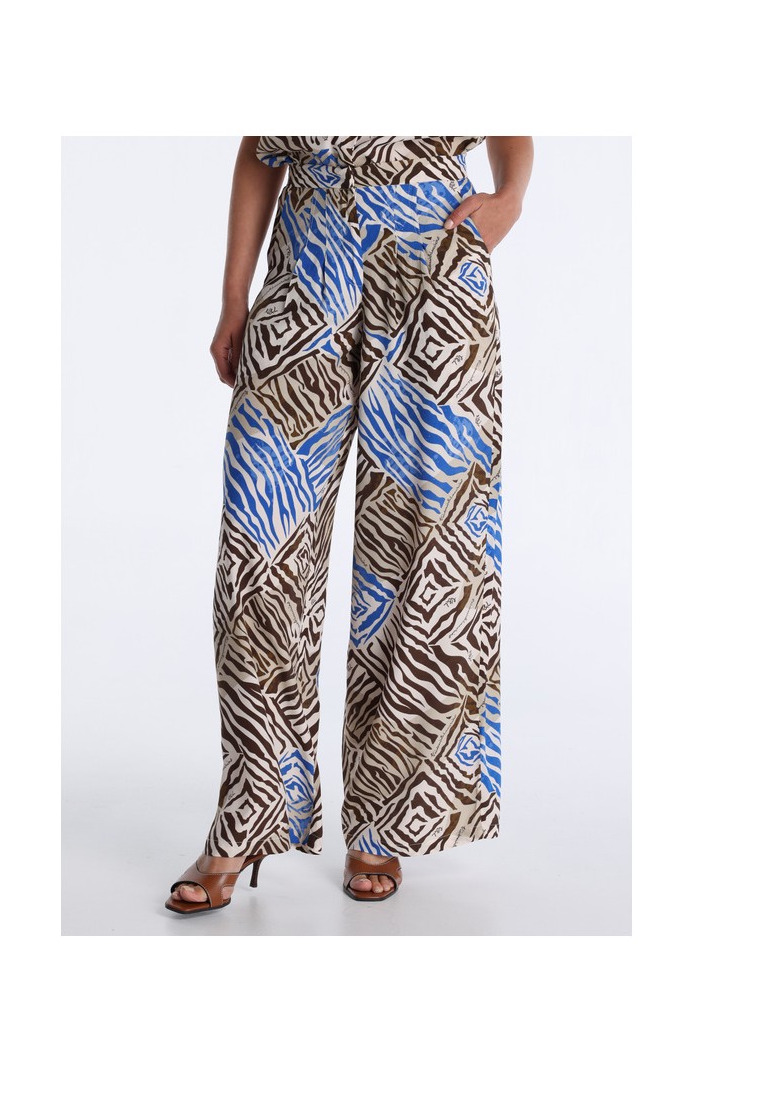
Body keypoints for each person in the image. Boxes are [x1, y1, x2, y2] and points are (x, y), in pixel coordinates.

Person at [166, 136, 534, 915]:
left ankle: (387, 820)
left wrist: (510, 197)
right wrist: (234, 298)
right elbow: (260, 148)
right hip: (307, 269)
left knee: (424, 549)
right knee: (260, 552)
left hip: (433, 262)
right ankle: (252, 808)